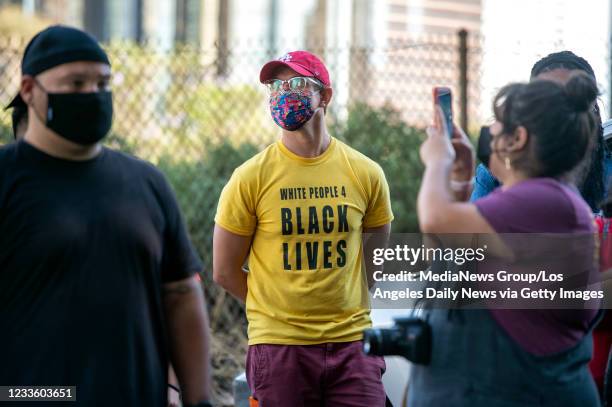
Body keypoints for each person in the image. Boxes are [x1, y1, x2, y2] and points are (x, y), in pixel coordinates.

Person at [0, 26, 212, 407]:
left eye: (102, 83)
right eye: (76, 83)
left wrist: (196, 399)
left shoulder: (147, 182)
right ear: (29, 90)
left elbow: (181, 293)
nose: (92, 95)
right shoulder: (6, 179)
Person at [213, 50, 393, 406]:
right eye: (275, 86)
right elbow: (224, 271)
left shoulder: (366, 173)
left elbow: (374, 258)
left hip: (352, 343)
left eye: (296, 83)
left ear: (324, 95)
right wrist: (274, 310)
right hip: (279, 348)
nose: (283, 93)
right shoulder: (250, 178)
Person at [411, 72, 601, 405]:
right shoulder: (530, 205)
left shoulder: (545, 201)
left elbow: (433, 219)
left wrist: (438, 160)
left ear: (518, 139)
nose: (489, 133)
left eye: (497, 124)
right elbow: (442, 252)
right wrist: (460, 180)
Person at [471, 51, 609, 211]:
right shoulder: (493, 171)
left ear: (593, 108)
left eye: (571, 100)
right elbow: (470, 235)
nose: (561, 112)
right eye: (548, 100)